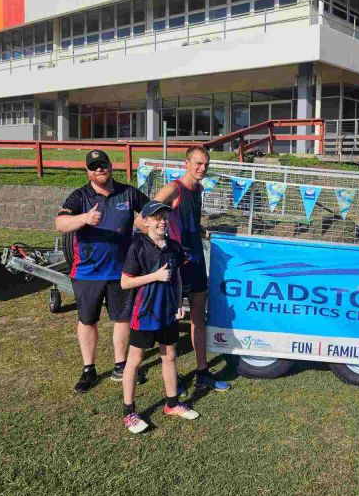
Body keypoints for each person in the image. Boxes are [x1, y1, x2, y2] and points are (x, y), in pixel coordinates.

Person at [56, 150, 149, 393]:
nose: (99, 169)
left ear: (110, 166)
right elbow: (60, 224)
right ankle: (89, 368)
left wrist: (146, 223)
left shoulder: (128, 193)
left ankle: (121, 364)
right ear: (87, 171)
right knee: (87, 320)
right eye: (93, 166)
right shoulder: (80, 196)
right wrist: (84, 218)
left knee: (122, 318)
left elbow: (152, 210)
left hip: (121, 272)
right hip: (88, 272)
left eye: (103, 165)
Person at [154, 147, 230, 392]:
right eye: (198, 164)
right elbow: (146, 216)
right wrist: (160, 241)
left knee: (199, 316)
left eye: (206, 165)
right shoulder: (174, 188)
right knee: (172, 321)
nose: (202, 169)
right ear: (186, 163)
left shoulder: (199, 189)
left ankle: (202, 372)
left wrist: (198, 229)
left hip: (196, 260)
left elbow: (189, 218)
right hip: (176, 265)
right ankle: (173, 377)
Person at [119, 201, 199, 433]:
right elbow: (125, 282)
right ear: (145, 222)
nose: (161, 221)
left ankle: (172, 404)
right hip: (144, 313)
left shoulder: (174, 247)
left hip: (168, 312)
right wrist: (153, 276)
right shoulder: (138, 246)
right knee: (134, 360)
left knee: (170, 355)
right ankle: (129, 412)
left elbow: (177, 279)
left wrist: (178, 303)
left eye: (164, 217)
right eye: (155, 217)